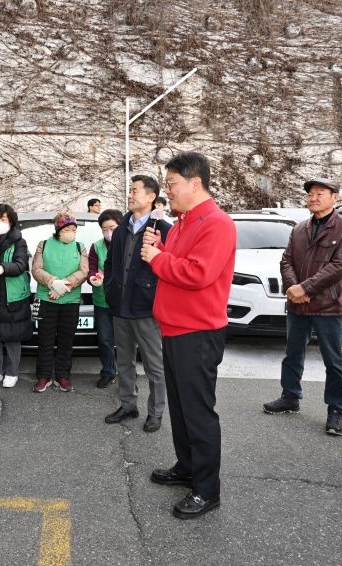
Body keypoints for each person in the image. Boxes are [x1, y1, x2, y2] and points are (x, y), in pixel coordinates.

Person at [141, 152, 235, 520]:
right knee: (180, 408)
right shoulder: (183, 222)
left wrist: (156, 258)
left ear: (195, 183)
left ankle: (207, 489)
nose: (167, 191)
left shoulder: (217, 223)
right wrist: (162, 250)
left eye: (172, 184)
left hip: (198, 331)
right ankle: (187, 466)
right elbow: (177, 264)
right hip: (176, 328)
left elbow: (198, 273)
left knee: (197, 412)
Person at [265, 179, 342, 436]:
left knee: (333, 360)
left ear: (335, 197)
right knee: (292, 353)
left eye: (320, 193)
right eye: (310, 194)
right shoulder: (299, 228)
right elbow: (286, 260)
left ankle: (337, 409)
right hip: (298, 304)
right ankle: (290, 396)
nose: (313, 198)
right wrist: (293, 288)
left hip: (328, 304)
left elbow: (340, 266)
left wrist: (305, 289)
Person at [103, 177, 172, 432]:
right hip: (120, 305)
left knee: (154, 365)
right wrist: (109, 285)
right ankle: (128, 404)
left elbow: (169, 266)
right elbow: (110, 263)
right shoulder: (121, 228)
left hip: (147, 308)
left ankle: (156, 412)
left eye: (134, 191)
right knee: (124, 361)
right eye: (129, 191)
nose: (129, 195)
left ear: (151, 196)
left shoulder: (164, 229)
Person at [31, 211, 89, 393]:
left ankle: (62, 375)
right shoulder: (44, 244)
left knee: (66, 339)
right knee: (45, 340)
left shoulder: (80, 247)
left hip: (70, 300)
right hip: (46, 299)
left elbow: (83, 271)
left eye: (74, 230)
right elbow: (36, 269)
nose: (71, 233)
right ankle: (43, 376)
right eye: (67, 229)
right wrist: (53, 283)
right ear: (58, 230)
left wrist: (65, 285)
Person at [0, 203, 32, 388]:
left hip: (12, 294)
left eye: (3, 219)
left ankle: (12, 372)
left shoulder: (19, 241)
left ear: (11, 221)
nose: (0, 222)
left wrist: (2, 267)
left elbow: (21, 265)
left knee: (13, 335)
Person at [88, 209, 122, 389]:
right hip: (102, 301)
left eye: (112, 228)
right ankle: (108, 372)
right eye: (104, 229)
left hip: (123, 302)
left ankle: (128, 377)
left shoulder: (128, 244)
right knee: (105, 340)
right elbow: (92, 268)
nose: (108, 232)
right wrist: (93, 279)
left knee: (125, 343)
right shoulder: (97, 246)